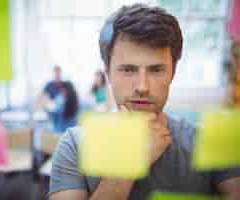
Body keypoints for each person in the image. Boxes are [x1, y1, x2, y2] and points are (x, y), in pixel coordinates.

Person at [49, 3, 240, 200]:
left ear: (173, 73)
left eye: (156, 70)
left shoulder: (207, 141)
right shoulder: (74, 144)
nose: (142, 86)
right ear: (108, 72)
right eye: (128, 69)